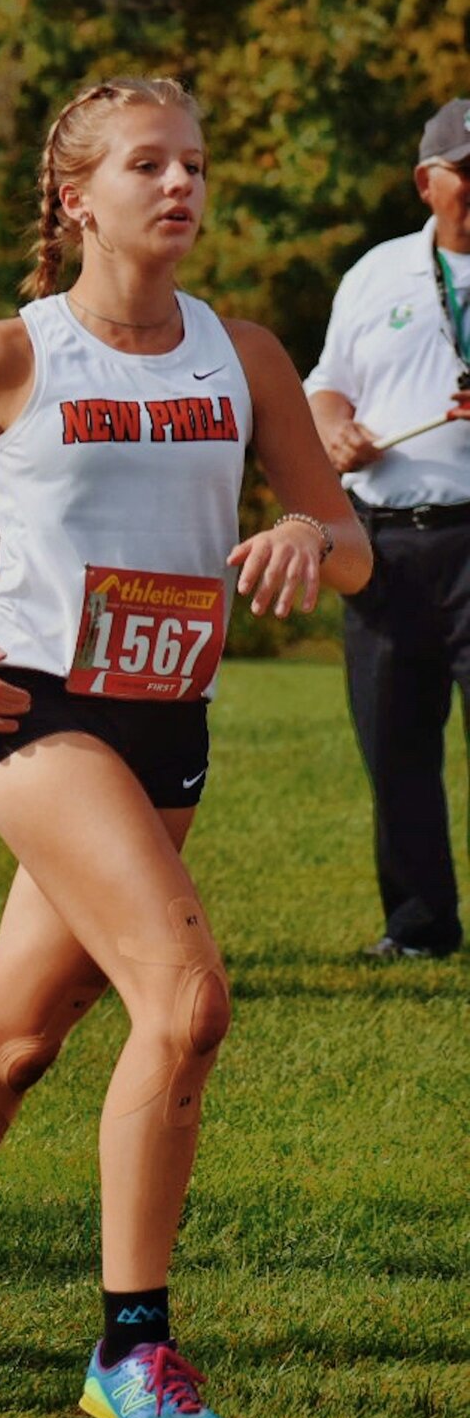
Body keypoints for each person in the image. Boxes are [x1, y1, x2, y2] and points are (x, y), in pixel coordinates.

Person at [0, 78, 370, 1418]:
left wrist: (311, 537)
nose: (180, 185)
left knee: (14, 1045)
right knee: (185, 1004)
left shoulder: (241, 356)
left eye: (193, 162)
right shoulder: (8, 354)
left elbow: (347, 539)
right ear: (78, 198)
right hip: (34, 710)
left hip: (168, 725)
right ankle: (134, 1347)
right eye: (148, 165)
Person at [304, 98, 470, 959]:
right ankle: (419, 928)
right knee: (396, 746)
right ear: (426, 180)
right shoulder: (376, 274)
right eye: (467, 173)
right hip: (386, 541)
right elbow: (328, 383)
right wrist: (334, 429)